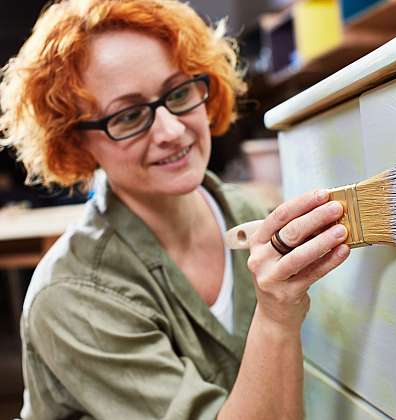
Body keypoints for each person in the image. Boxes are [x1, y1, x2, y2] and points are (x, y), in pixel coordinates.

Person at [0, 0, 351, 419]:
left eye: (180, 92)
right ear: (76, 141)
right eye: (128, 116)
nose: (171, 130)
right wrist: (276, 319)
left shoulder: (251, 214)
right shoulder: (73, 297)